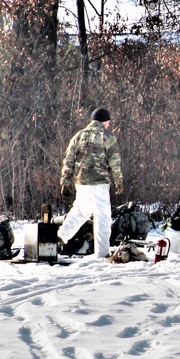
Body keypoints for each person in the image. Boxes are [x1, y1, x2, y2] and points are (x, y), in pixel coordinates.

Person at [58, 108, 123, 259]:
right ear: (104, 121)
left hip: (81, 183)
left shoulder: (79, 135)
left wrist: (65, 182)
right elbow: (114, 161)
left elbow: (68, 160)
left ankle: (60, 238)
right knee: (103, 217)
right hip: (99, 183)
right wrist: (118, 181)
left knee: (80, 212)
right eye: (108, 122)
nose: (109, 125)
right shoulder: (107, 136)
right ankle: (102, 254)